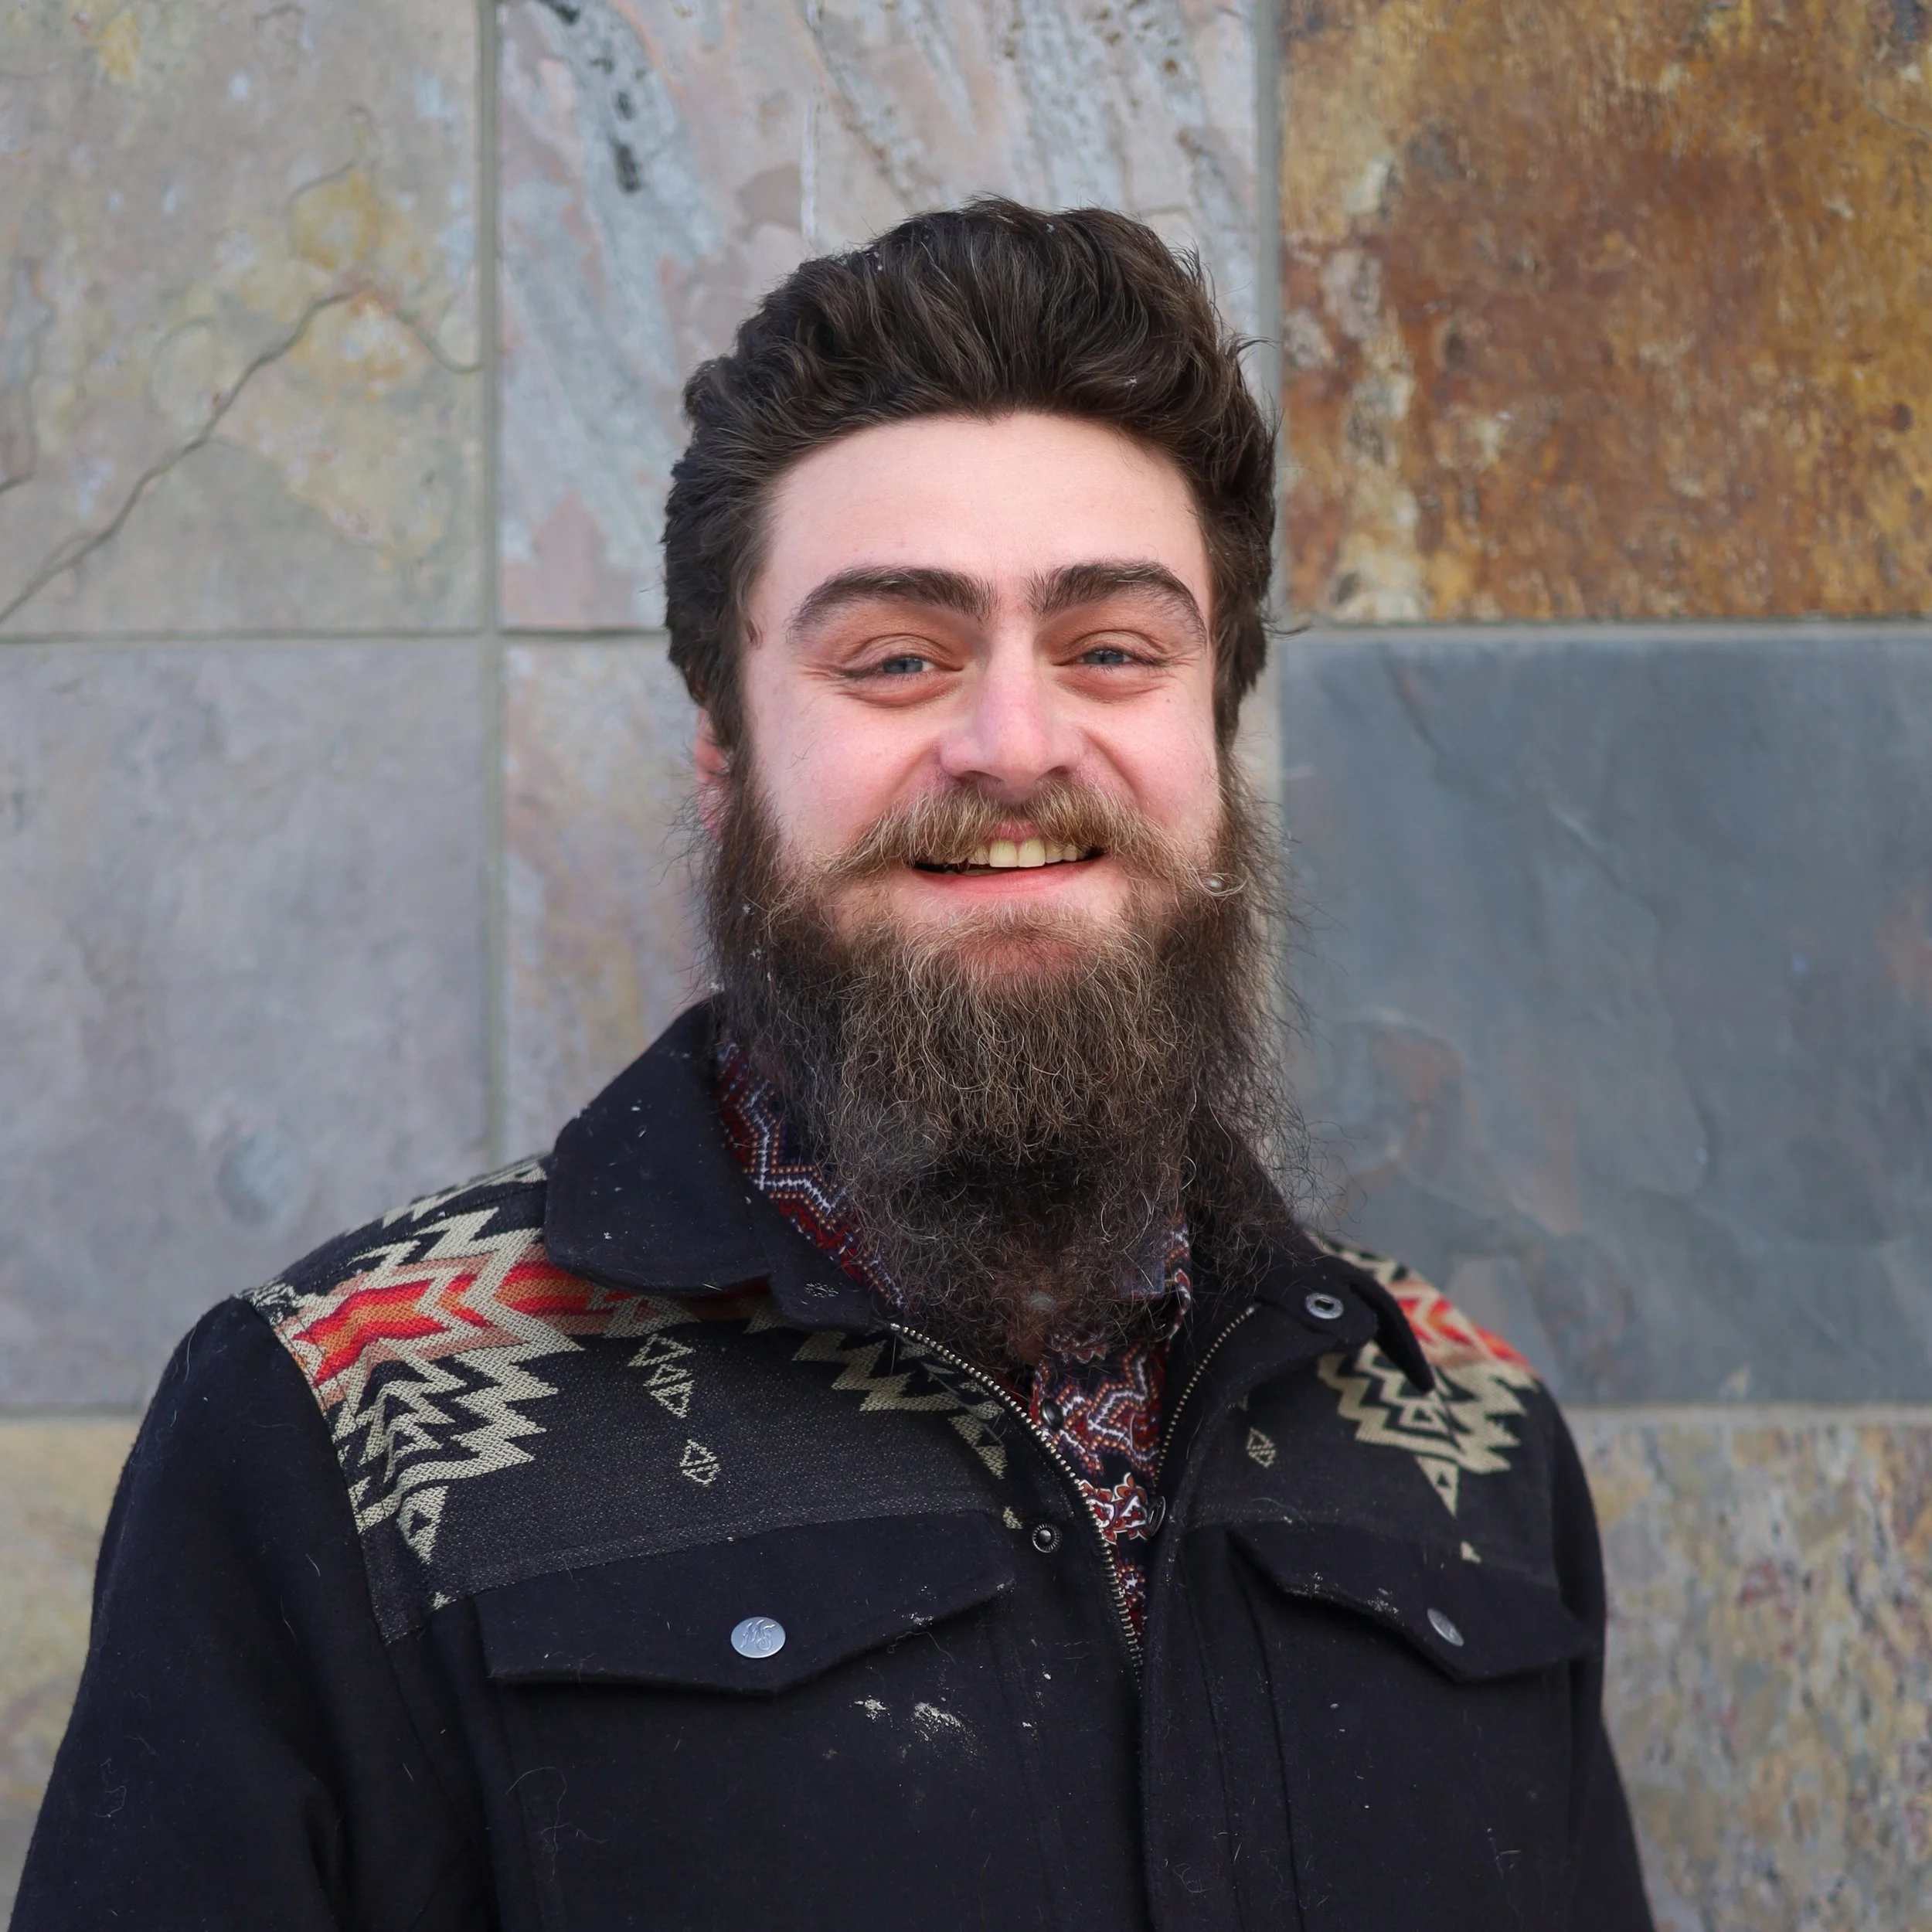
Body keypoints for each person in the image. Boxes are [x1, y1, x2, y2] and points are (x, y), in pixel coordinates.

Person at [15, 199, 1651, 1930]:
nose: (1015, 744)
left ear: (1212, 739)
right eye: (894, 658)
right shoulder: (343, 1422)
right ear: (724, 758)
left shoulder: (1461, 1432)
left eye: (1110, 649)